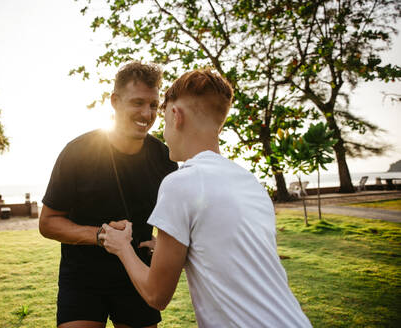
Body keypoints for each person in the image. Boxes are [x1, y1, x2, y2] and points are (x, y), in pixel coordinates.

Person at [100, 70, 312, 327]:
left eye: (164, 120)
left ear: (176, 116)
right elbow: (232, 252)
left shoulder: (180, 182)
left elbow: (156, 295)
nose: (163, 133)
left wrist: (121, 246)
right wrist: (173, 248)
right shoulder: (250, 183)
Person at [39, 62, 178, 328]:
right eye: (137, 103)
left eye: (153, 105)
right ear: (114, 101)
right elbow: (48, 223)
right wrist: (100, 236)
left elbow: (176, 221)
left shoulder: (165, 158)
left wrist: (164, 243)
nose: (147, 113)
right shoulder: (77, 152)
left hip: (138, 277)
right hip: (82, 279)